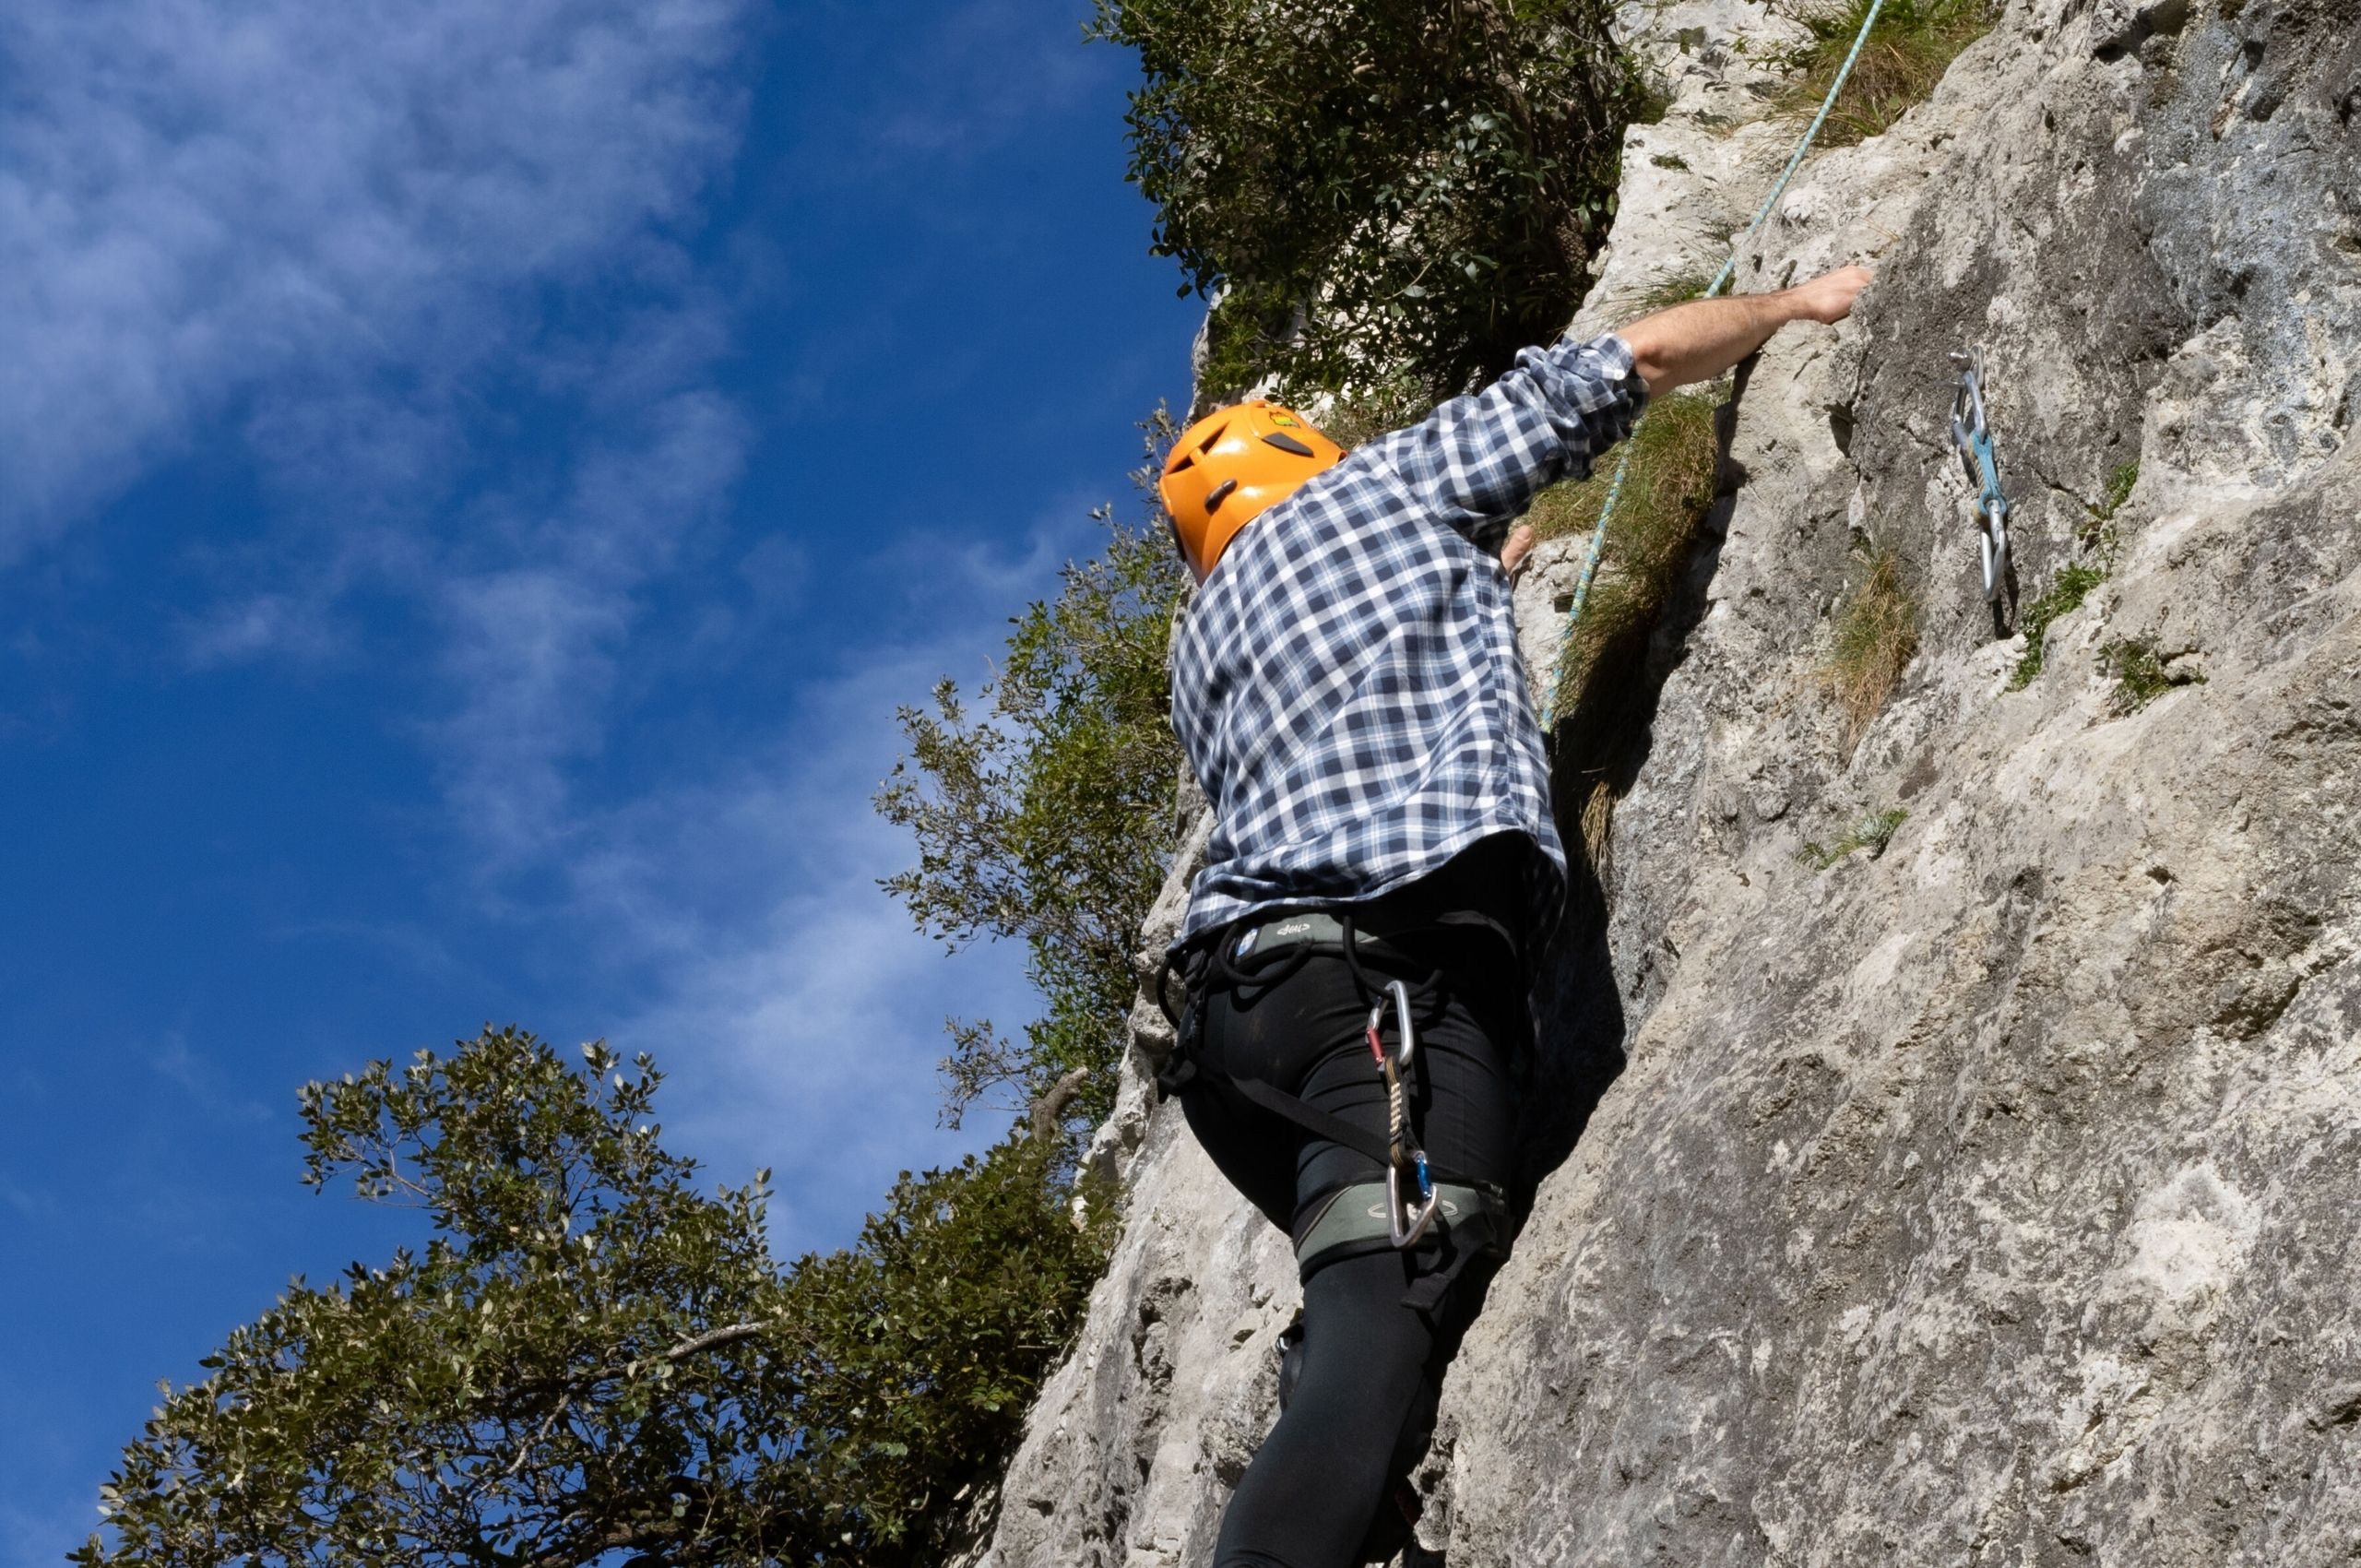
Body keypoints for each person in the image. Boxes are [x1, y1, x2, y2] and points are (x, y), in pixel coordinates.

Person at [1153, 266, 1873, 1568]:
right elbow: (1634, 362)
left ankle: (1356, 1507)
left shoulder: (1198, 650)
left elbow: (1355, 691)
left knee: (1365, 1311)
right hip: (1375, 993)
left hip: (1237, 1037)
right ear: (1314, 462)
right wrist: (1801, 306)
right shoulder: (1383, 490)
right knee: (1392, 1303)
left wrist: (1484, 572)